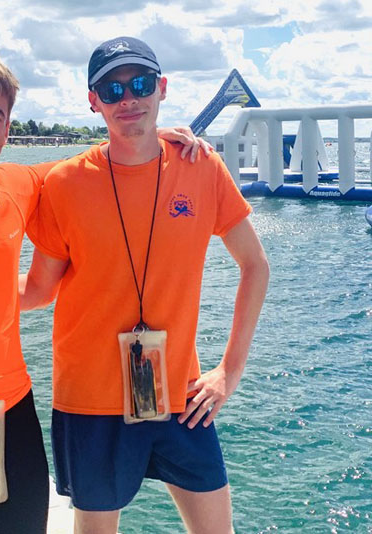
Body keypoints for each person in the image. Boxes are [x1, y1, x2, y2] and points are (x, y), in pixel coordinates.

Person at [0, 50, 210, 533]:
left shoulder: (19, 184)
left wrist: (150, 133)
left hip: (12, 418)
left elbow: (95, 166)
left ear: (8, 127)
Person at [22, 37, 270, 534]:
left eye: (138, 84)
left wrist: (229, 371)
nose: (127, 99)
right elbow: (38, 291)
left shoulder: (200, 166)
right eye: (111, 90)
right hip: (90, 398)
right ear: (93, 101)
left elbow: (255, 266)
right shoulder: (63, 182)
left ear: (161, 88)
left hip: (182, 395)